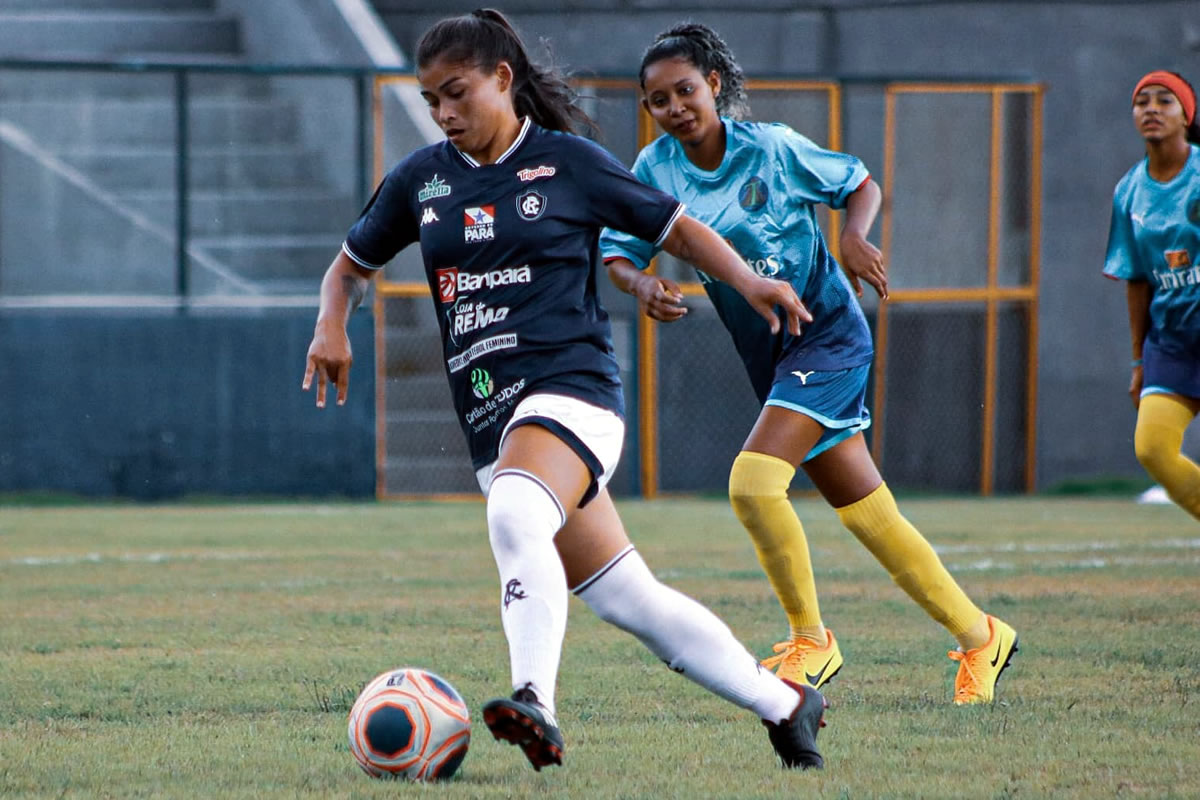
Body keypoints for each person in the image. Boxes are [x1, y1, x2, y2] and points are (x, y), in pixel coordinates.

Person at [303, 8, 829, 772]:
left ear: (503, 80)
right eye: (431, 102)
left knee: (514, 510)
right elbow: (350, 267)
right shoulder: (421, 181)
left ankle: (534, 701)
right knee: (629, 599)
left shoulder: (568, 163)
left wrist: (748, 281)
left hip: (572, 392)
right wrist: (331, 325)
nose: (445, 113)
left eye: (458, 93)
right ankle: (787, 706)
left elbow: (676, 227)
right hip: (493, 418)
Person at [600, 23, 1018, 706]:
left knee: (752, 485)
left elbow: (859, 182)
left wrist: (855, 235)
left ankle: (812, 640)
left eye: (684, 90)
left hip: (826, 336)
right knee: (867, 513)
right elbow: (620, 251)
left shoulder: (772, 147)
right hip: (770, 354)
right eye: (657, 100)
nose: (674, 107)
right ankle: (982, 637)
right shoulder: (654, 170)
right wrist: (642, 284)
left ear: (714, 84)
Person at [1103, 70, 1200, 521]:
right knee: (1153, 449)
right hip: (1172, 343)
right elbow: (1137, 278)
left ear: (1186, 116)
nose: (1152, 110)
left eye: (1165, 101)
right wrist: (1139, 360)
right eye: (1143, 102)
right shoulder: (1129, 191)